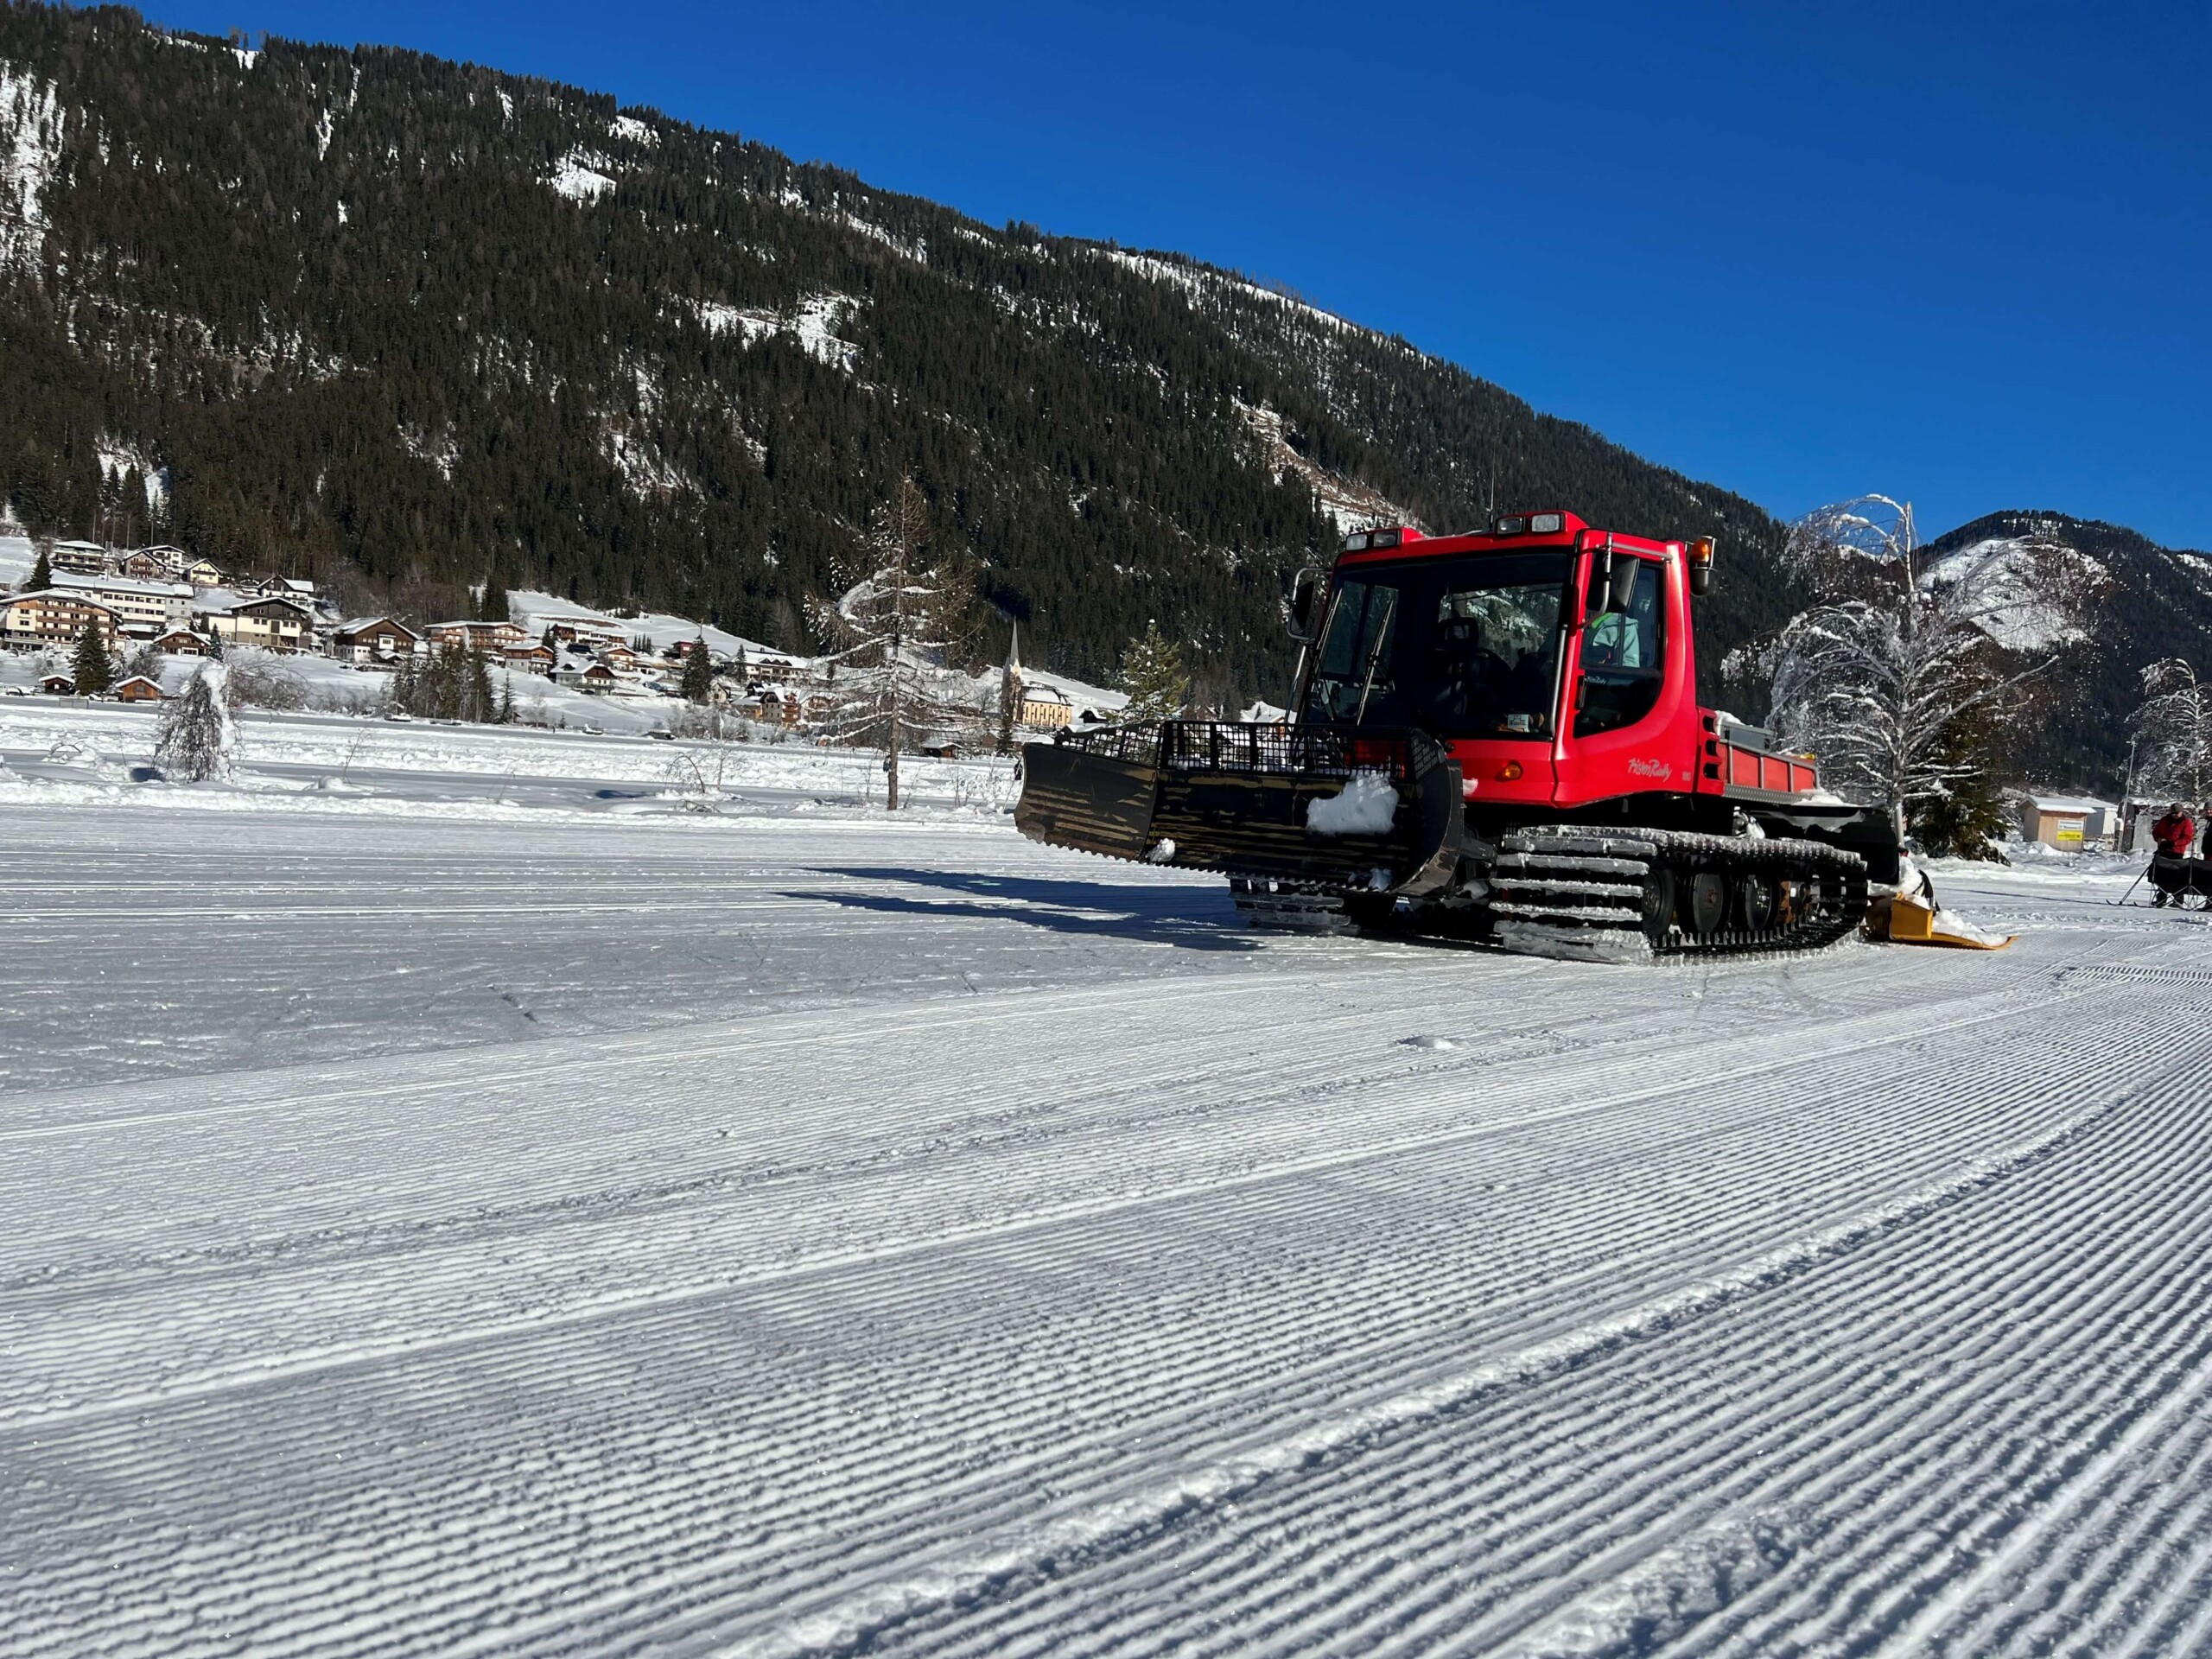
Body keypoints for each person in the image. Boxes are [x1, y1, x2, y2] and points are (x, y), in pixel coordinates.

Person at [2151, 802, 2196, 906]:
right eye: (2173, 813)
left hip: (2177, 852)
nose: (2175, 815)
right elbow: (2156, 831)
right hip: (2163, 851)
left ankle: (2178, 900)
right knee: (2162, 876)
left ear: (2182, 812)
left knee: (2176, 877)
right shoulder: (2164, 820)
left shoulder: (2186, 822)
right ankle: (2161, 899)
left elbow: (2188, 838)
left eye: (2177, 813)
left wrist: (2174, 843)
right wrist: (2159, 840)